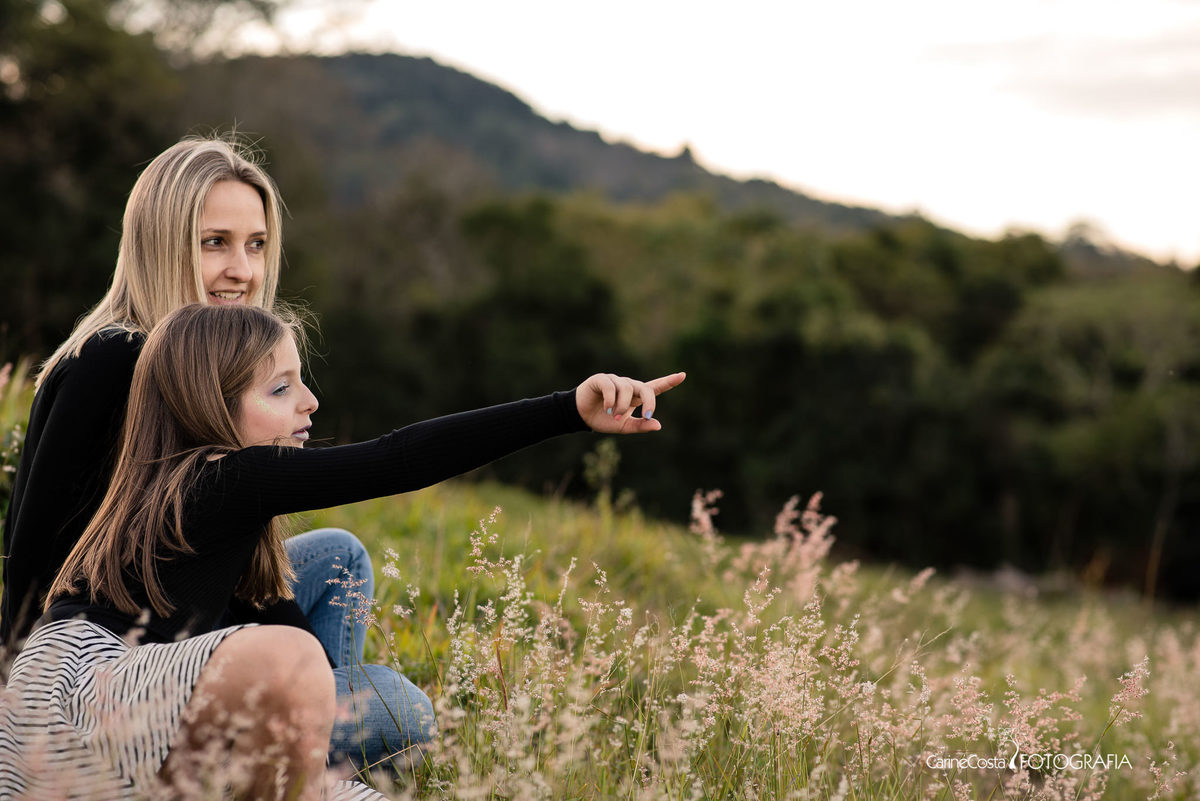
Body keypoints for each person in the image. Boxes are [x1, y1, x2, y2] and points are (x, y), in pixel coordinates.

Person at [0, 303, 684, 799]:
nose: (311, 401)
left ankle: (316, 763)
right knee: (379, 700)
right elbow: (395, 458)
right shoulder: (230, 475)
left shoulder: (169, 487)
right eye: (281, 388)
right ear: (210, 403)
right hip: (82, 714)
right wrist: (567, 408)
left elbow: (255, 607)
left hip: (67, 699)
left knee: (338, 577)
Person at [0, 136, 426, 769]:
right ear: (161, 245)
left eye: (256, 245)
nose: (244, 271)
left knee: (337, 556)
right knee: (399, 705)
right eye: (214, 243)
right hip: (114, 679)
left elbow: (218, 545)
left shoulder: (209, 366)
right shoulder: (116, 359)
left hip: (190, 620)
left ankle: (298, 748)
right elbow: (34, 563)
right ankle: (286, 753)